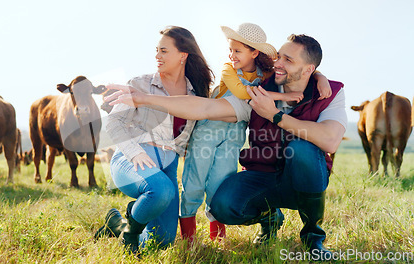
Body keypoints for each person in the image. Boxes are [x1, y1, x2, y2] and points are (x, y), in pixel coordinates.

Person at [105, 34, 346, 260]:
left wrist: (276, 115)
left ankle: (313, 238)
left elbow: (330, 140)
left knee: (303, 147)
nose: (278, 63)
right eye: (279, 56)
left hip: (303, 182)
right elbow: (205, 108)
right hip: (264, 176)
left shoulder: (330, 92)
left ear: (308, 70)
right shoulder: (259, 92)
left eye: (287, 59)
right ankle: (269, 215)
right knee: (217, 207)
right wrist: (142, 98)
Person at [179, 23, 332, 243]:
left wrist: (320, 78)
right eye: (230, 49)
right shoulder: (228, 69)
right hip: (209, 129)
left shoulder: (267, 73)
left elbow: (303, 66)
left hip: (233, 137)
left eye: (237, 50)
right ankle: (188, 240)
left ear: (254, 52)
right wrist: (283, 97)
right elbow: (244, 92)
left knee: (218, 184)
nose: (231, 54)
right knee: (194, 183)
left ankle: (218, 240)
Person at [94, 26, 214, 254]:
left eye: (164, 51)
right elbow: (113, 123)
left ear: (183, 55)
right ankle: (130, 235)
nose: (157, 56)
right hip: (131, 160)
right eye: (156, 50)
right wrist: (135, 153)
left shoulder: (194, 95)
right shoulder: (140, 84)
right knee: (161, 191)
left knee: (162, 241)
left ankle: (117, 223)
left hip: (167, 164)